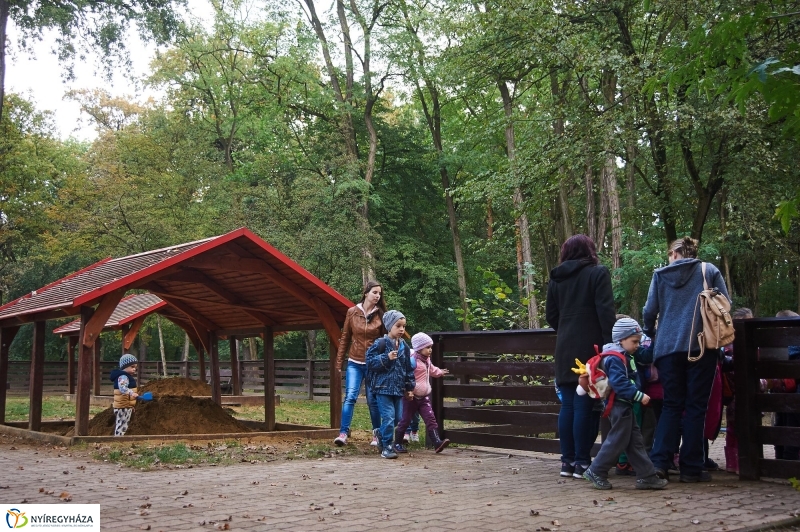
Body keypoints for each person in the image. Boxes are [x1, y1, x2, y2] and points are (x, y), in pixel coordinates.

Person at [643, 236, 730, 482]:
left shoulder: (660, 275)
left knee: (671, 405)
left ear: (674, 253)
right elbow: (725, 304)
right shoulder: (709, 271)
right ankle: (691, 469)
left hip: (667, 349)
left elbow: (649, 310)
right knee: (695, 407)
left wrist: (650, 331)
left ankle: (659, 463)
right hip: (701, 346)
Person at [546, 234, 616, 479]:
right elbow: (606, 311)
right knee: (585, 404)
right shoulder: (598, 273)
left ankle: (567, 462)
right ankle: (582, 462)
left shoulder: (556, 278)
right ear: (589, 251)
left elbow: (551, 316)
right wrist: (609, 346)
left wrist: (566, 328)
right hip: (591, 347)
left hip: (564, 346)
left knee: (568, 404)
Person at [581, 318, 668, 490]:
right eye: (634, 341)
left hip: (624, 405)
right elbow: (619, 383)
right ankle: (596, 470)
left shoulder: (623, 355)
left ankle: (647, 476)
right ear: (621, 339)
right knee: (617, 440)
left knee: (635, 442)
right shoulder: (615, 358)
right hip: (619, 405)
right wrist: (638, 395)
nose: (637, 345)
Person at [334, 281, 385, 447]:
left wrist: (384, 361)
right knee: (350, 397)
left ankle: (377, 435)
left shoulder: (381, 315)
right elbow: (345, 338)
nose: (377, 296)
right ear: (366, 293)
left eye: (379, 294)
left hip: (373, 364)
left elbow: (386, 340)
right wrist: (339, 361)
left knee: (372, 400)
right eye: (375, 292)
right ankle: (343, 433)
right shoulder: (352, 312)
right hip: (354, 362)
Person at [366, 310, 415, 459]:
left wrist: (409, 387)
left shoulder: (404, 347)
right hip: (382, 388)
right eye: (398, 326)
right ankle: (387, 446)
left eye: (403, 326)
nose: (401, 329)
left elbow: (408, 368)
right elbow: (370, 361)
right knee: (388, 418)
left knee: (397, 418)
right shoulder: (380, 343)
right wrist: (385, 358)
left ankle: (380, 433)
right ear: (389, 326)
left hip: (398, 389)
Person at [394, 332, 450, 454]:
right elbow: (404, 376)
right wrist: (407, 390)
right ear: (419, 348)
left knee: (430, 418)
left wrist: (440, 372)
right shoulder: (412, 361)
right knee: (405, 420)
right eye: (427, 347)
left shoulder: (427, 360)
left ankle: (437, 442)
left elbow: (432, 369)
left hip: (424, 397)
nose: (430, 350)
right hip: (411, 397)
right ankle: (397, 442)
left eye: (431, 347)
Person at [720, 307, 753, 473]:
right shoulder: (731, 347)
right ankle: (739, 462)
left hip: (736, 394)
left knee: (734, 428)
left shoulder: (729, 346)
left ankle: (734, 463)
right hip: (737, 394)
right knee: (738, 428)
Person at [771, 310, 800, 461]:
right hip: (794, 395)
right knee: (792, 431)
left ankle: (780, 461)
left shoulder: (773, 344)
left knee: (781, 427)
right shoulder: (795, 342)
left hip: (780, 394)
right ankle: (789, 462)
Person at [110, 354, 139, 437]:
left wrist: (130, 406)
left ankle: (119, 438)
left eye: (135, 367)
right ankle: (118, 439)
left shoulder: (126, 376)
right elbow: (123, 388)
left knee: (123, 423)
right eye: (132, 367)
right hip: (122, 407)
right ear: (124, 367)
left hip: (125, 405)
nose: (134, 369)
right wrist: (132, 393)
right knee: (122, 425)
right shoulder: (123, 377)